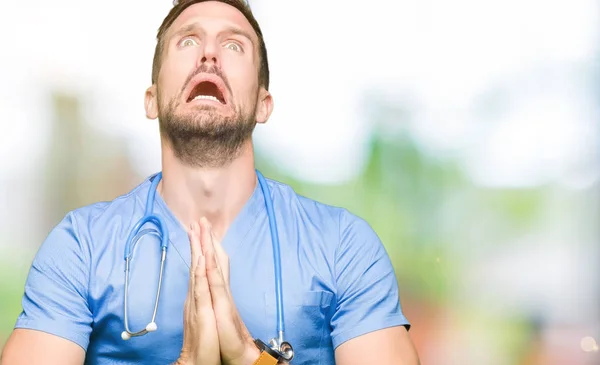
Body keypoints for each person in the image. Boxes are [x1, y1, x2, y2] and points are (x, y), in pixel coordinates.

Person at [0, 1, 420, 364]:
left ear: (263, 103)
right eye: (187, 41)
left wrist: (248, 358)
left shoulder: (343, 246)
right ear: (151, 100)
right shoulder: (80, 246)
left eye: (234, 44)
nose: (209, 54)